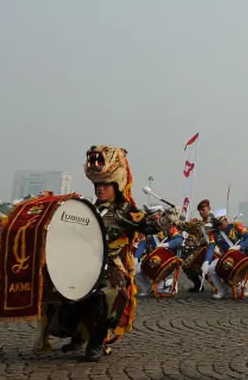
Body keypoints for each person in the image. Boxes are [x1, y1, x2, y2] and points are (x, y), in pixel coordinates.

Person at [35, 145, 174, 362]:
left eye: (105, 185)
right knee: (62, 293)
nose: (100, 189)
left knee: (108, 294)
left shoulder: (124, 210)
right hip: (82, 264)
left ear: (116, 185)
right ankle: (78, 336)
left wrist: (167, 218)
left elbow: (147, 225)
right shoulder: (86, 208)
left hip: (110, 265)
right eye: (97, 185)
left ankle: (96, 343)